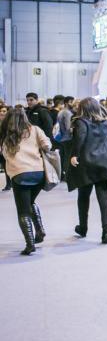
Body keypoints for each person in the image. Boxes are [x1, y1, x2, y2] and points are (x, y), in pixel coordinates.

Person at [68, 97, 107, 244]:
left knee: (83, 196)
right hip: (106, 163)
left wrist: (74, 155)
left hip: (87, 163)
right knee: (104, 198)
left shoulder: (80, 122)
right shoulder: (105, 122)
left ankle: (83, 228)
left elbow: (80, 137)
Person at [0, 106, 50, 255]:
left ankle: (30, 244)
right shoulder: (34, 129)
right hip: (38, 173)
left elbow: (4, 153)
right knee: (30, 203)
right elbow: (47, 145)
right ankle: (39, 230)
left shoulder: (6, 134)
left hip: (19, 175)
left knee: (23, 211)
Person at [56, 96, 75, 178]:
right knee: (68, 157)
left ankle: (64, 175)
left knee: (63, 157)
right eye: (72, 102)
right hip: (68, 138)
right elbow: (68, 127)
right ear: (67, 103)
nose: (73, 104)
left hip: (62, 138)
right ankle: (67, 176)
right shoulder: (67, 113)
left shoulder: (60, 112)